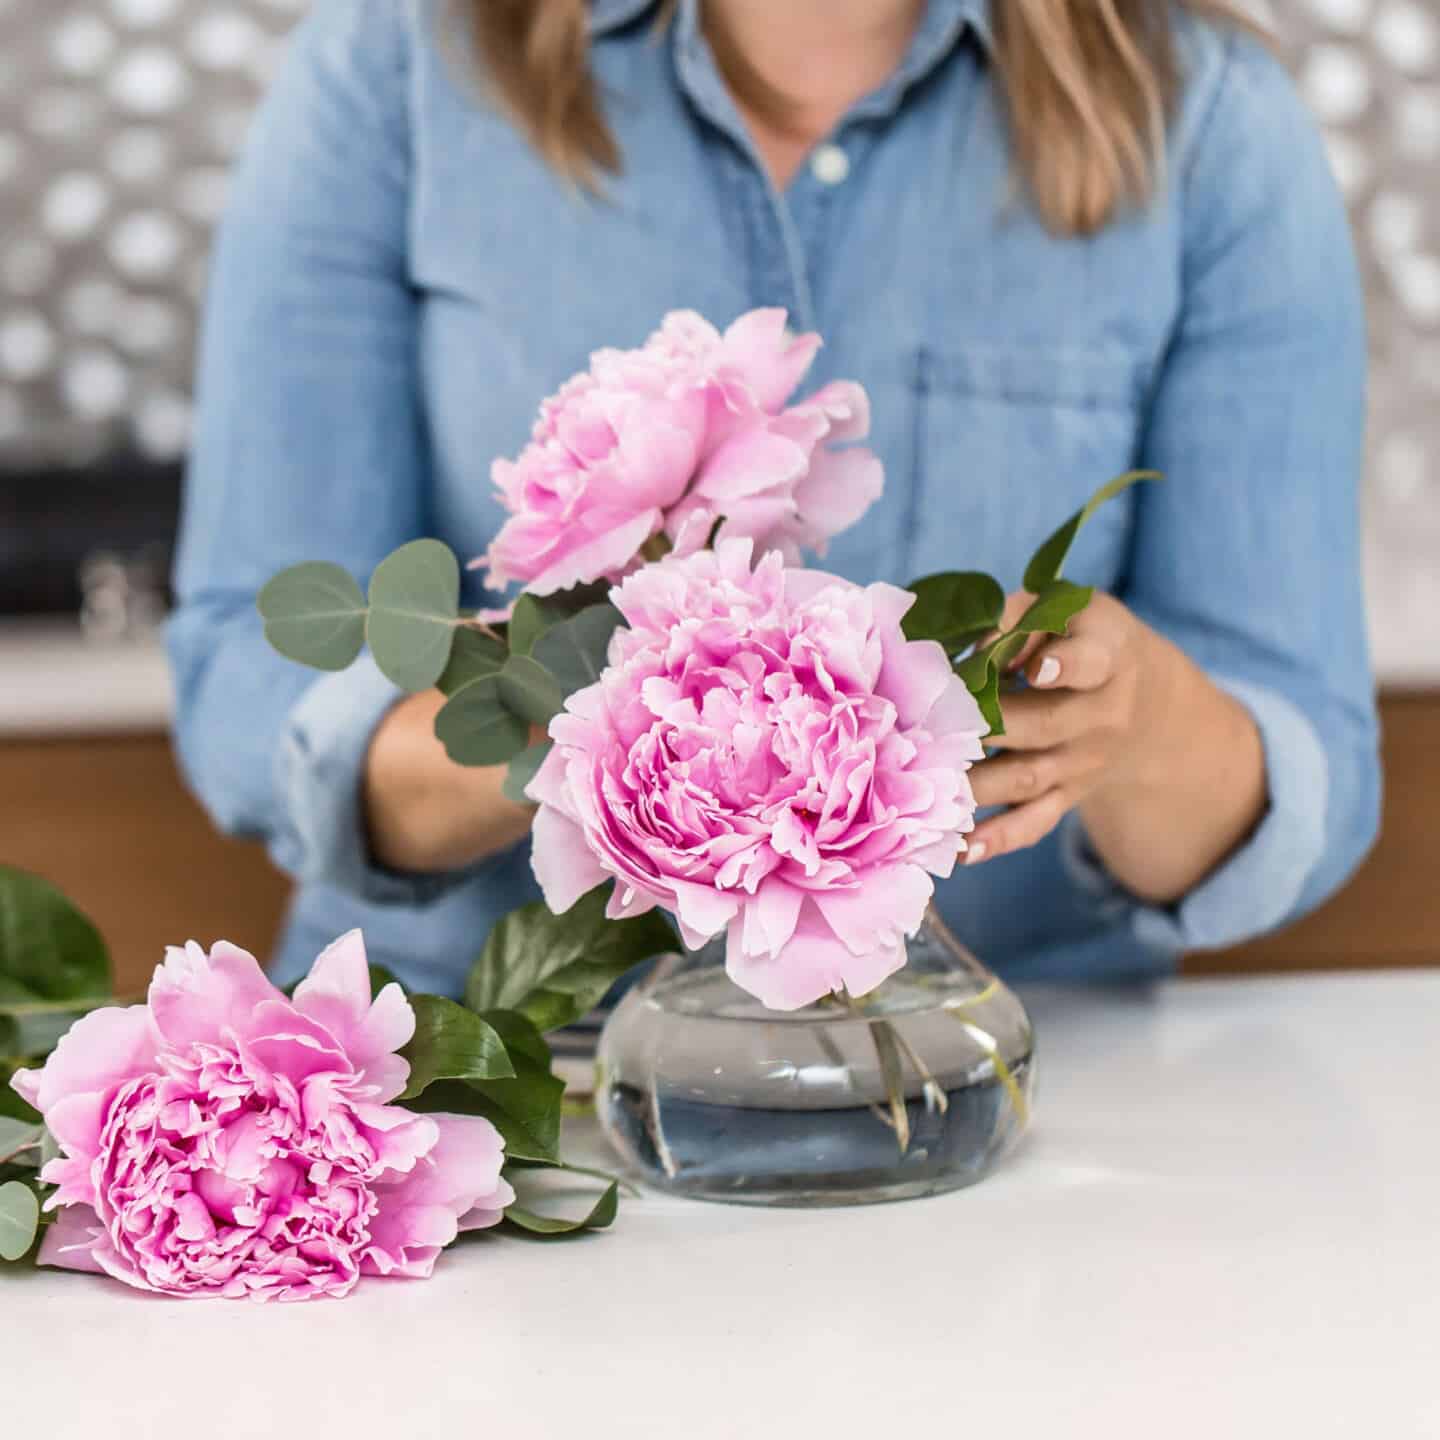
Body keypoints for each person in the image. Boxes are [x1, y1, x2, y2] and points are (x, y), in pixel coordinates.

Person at [169, 0, 1379, 995]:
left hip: (1003, 1074)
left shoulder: (1208, 118)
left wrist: (1141, 721)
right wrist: (582, 728)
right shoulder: (394, 66)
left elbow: (1300, 778)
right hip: (497, 1077)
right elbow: (245, 680)